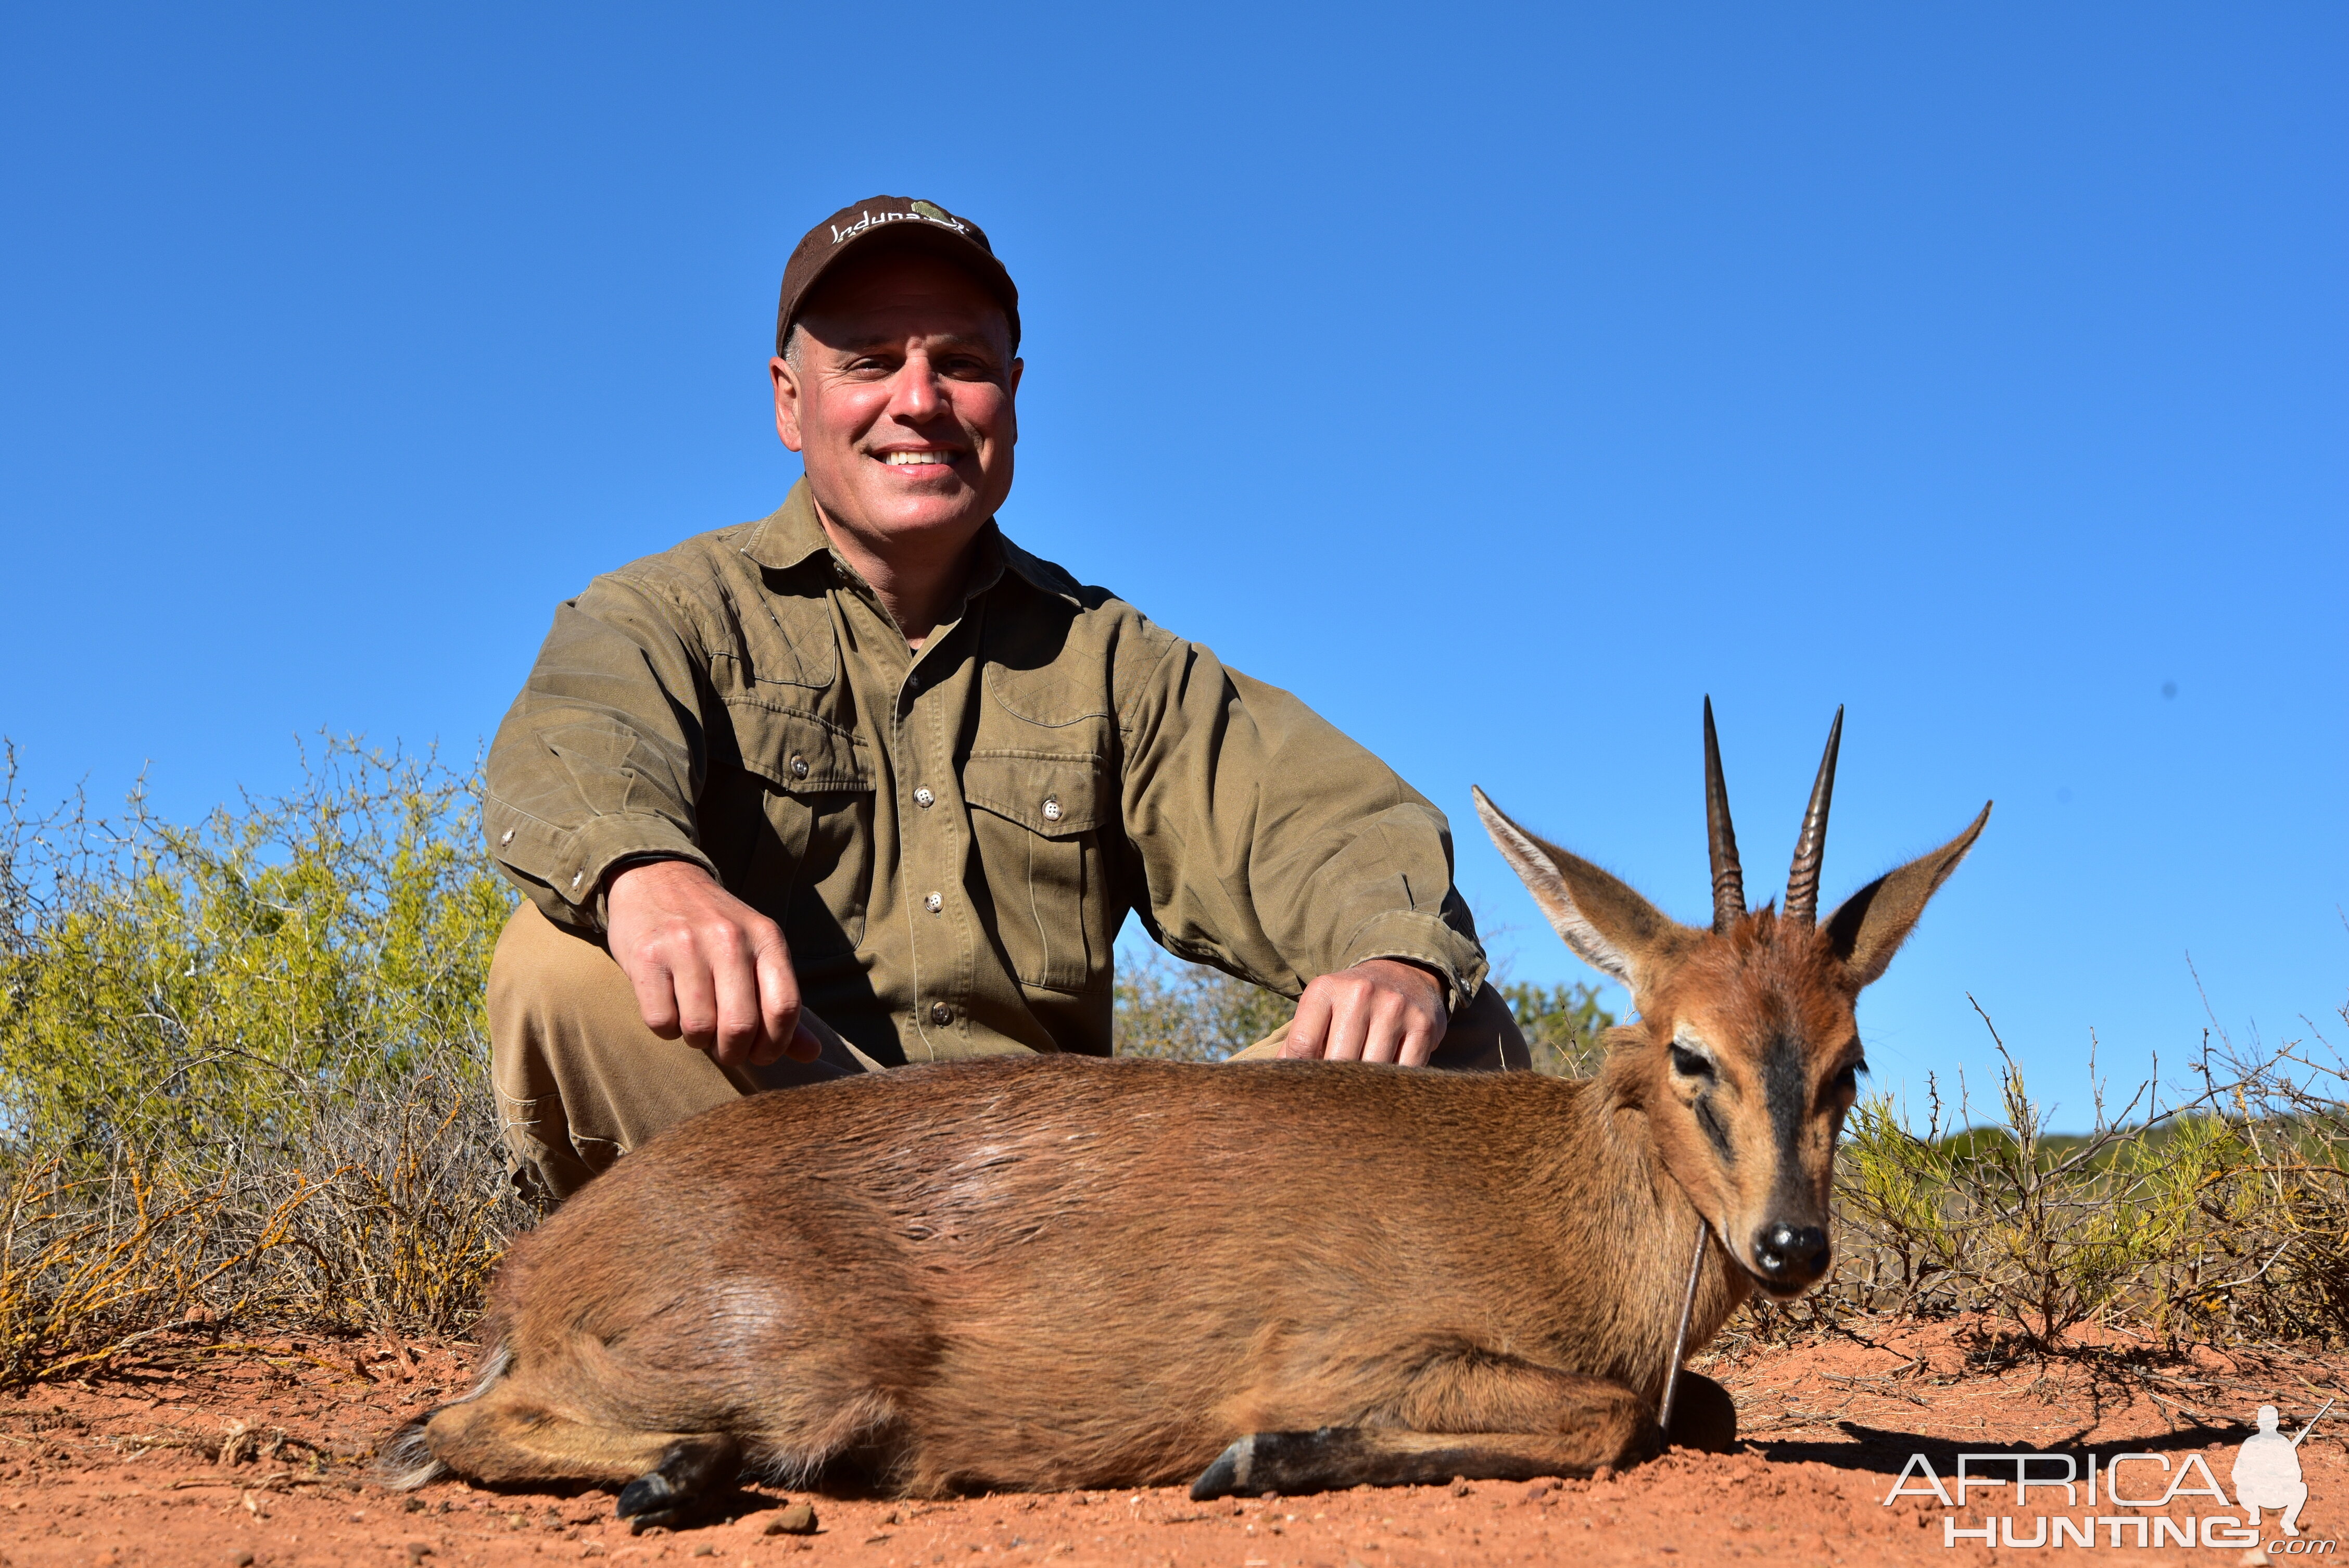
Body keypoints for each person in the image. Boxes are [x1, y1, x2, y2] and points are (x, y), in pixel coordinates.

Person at [483, 195, 1528, 1200]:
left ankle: (1097, 1354)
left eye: (963, 366)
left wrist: (1391, 957)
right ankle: (754, 1339)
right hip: (783, 1178)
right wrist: (645, 872)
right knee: (557, 969)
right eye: (871, 363)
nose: (921, 399)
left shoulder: (1113, 660)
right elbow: (580, 734)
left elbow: (1320, 822)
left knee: (1456, 1029)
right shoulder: (667, 610)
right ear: (789, 401)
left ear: (1014, 397)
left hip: (1061, 1204)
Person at [2232, 1404, 2312, 1536]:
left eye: (2271, 1422)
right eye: (2264, 1422)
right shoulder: (2250, 1443)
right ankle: (2254, 1512)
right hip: (2255, 1492)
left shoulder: (2284, 1444)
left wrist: (2280, 1474)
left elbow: (2297, 1474)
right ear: (2258, 1423)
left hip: (2277, 1492)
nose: (2268, 1425)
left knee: (2301, 1488)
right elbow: (2237, 1473)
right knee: (2242, 1487)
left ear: (2277, 1423)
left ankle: (2288, 1522)